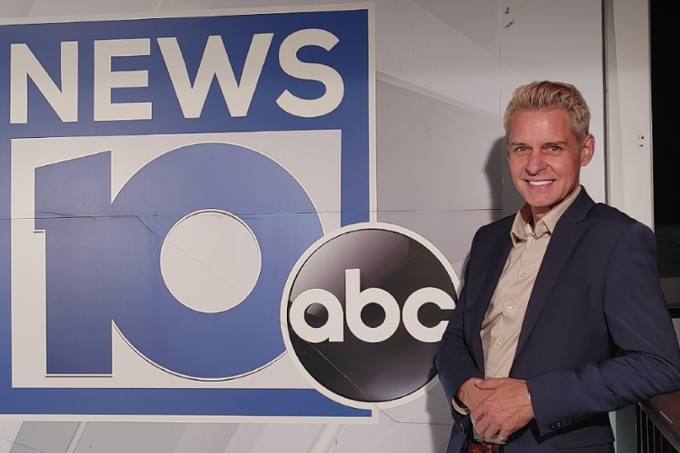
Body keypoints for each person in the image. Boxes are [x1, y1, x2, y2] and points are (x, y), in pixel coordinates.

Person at [436, 81, 680, 453]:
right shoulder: (489, 240)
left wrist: (534, 398)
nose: (535, 165)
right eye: (522, 149)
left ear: (585, 150)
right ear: (508, 152)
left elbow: (658, 364)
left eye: (553, 147)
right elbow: (455, 338)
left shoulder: (617, 240)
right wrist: (465, 387)